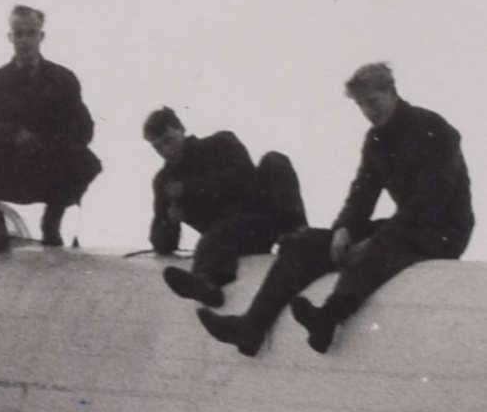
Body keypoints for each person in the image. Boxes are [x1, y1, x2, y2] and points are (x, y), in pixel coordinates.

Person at [197, 62, 475, 356]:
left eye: (373, 102)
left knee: (379, 245)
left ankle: (327, 318)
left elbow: (431, 199)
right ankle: (251, 328)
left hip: (444, 230)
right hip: (407, 226)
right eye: (361, 106)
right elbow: (362, 193)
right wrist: (343, 229)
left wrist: (372, 241)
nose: (369, 111)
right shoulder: (377, 139)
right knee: (305, 244)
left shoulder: (433, 128)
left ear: (392, 92)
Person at [0, 5, 102, 260]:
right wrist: (12, 134)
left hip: (47, 170)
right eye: (18, 34)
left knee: (87, 161)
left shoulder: (63, 80)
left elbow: (84, 129)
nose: (24, 41)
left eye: (31, 33)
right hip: (7, 169)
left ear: (41, 36)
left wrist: (48, 142)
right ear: (10, 37)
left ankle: (52, 222)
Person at [145, 107, 306, 307]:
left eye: (168, 140)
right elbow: (162, 245)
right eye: (158, 147)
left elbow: (245, 178)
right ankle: (207, 285)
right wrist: (169, 221)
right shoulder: (164, 182)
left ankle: (298, 235)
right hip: (227, 241)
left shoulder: (220, 143)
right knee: (219, 231)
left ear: (181, 129)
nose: (166, 151)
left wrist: (190, 189)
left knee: (274, 160)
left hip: (263, 219)